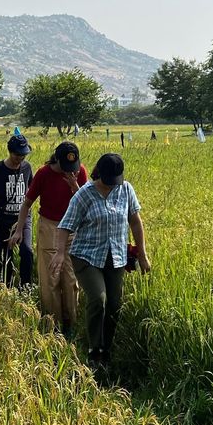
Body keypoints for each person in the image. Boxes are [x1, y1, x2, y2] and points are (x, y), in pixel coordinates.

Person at [50, 153, 151, 369]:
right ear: (100, 174)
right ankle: (94, 350)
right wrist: (59, 253)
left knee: (115, 305)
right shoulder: (84, 195)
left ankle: (107, 349)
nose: (113, 185)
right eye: (109, 180)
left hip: (116, 256)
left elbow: (135, 221)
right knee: (98, 298)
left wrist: (142, 254)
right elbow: (65, 226)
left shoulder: (126, 189)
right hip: (86, 255)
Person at [9, 141, 88, 336]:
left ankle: (71, 324)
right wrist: (19, 231)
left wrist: (74, 186)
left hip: (72, 229)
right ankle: (53, 325)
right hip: (49, 227)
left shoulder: (80, 172)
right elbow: (27, 204)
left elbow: (87, 204)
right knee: (50, 279)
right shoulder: (44, 174)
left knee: (70, 279)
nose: (69, 171)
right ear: (57, 159)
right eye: (65, 167)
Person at [0, 134, 33, 288]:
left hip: (23, 219)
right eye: (17, 155)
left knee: (27, 252)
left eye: (23, 155)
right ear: (10, 152)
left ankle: (26, 287)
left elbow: (32, 188)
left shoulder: (27, 167)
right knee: (4, 256)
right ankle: (6, 287)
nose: (20, 158)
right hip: (2, 219)